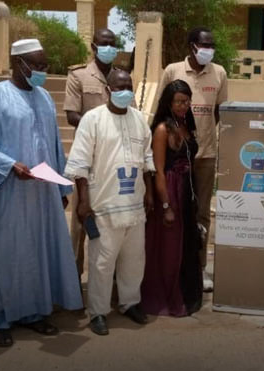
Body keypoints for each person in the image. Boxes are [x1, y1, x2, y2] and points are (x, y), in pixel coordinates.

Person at [0, 39, 83, 348]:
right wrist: (8, 165)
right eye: (38, 65)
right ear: (18, 62)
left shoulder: (45, 97)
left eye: (45, 66)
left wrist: (61, 187)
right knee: (5, 254)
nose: (43, 71)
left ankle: (33, 312)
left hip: (42, 193)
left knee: (36, 253)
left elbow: (54, 145)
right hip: (7, 192)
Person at [65, 70, 155, 336]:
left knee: (134, 259)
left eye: (129, 85)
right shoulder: (92, 120)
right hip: (103, 203)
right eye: (120, 86)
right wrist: (82, 202)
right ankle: (98, 311)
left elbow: (147, 160)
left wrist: (149, 193)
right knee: (102, 263)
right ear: (108, 89)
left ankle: (129, 303)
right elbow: (80, 164)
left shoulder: (139, 119)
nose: (125, 90)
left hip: (135, 204)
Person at [158, 27, 228, 291]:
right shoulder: (172, 71)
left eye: (212, 45)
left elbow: (219, 112)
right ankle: (172, 265)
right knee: (174, 208)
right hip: (176, 155)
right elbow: (162, 110)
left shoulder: (219, 73)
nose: (208, 49)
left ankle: (198, 269)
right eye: (204, 44)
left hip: (205, 155)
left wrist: (203, 137)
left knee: (201, 214)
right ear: (192, 47)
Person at [140, 79, 203, 317]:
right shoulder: (162, 130)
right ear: (168, 102)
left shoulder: (186, 124)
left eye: (186, 101)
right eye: (178, 101)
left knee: (185, 244)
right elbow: (157, 170)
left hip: (187, 190)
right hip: (170, 190)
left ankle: (185, 292)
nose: (183, 105)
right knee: (169, 248)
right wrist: (166, 205)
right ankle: (164, 295)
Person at [65, 28, 119, 280]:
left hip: (114, 159)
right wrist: (100, 125)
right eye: (104, 44)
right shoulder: (79, 76)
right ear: (94, 46)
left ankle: (111, 284)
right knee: (80, 222)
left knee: (113, 220)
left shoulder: (122, 77)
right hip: (86, 158)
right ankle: (73, 282)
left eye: (113, 44)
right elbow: (71, 115)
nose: (109, 48)